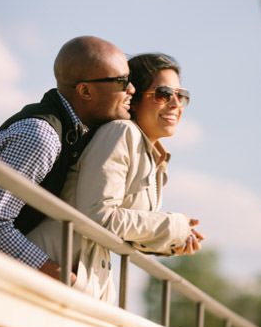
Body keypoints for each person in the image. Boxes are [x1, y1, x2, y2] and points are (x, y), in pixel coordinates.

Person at [0, 36, 133, 281]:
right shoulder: (41, 136)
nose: (132, 89)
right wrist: (64, 278)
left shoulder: (73, 131)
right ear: (85, 90)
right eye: (122, 81)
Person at [28, 52, 203, 302]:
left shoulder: (154, 159)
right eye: (164, 94)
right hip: (49, 271)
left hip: (80, 281)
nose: (175, 104)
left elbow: (125, 231)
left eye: (181, 96)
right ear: (135, 98)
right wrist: (172, 225)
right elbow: (98, 217)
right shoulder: (122, 132)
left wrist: (175, 240)